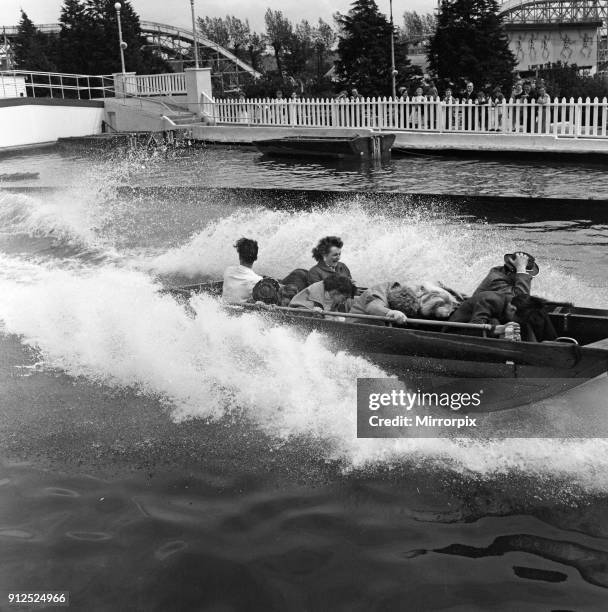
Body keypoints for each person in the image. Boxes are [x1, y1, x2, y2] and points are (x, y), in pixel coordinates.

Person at [448, 291, 520, 338]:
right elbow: (475, 326)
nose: (513, 320)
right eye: (515, 318)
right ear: (512, 309)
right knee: (495, 322)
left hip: (466, 332)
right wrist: (498, 329)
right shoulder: (491, 300)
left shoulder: (508, 300)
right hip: (453, 333)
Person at [350, 281, 419, 325]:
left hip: (373, 326)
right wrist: (392, 313)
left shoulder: (391, 288)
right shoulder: (376, 295)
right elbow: (373, 308)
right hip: (356, 326)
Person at [473, 252, 539, 297]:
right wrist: (521, 269)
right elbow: (521, 302)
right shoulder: (496, 280)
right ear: (512, 272)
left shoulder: (502, 273)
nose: (528, 278)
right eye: (525, 275)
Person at [222, 237, 263, 304]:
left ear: (239, 256)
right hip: (243, 313)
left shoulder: (228, 271)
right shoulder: (257, 281)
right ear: (255, 258)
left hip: (223, 310)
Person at [289, 275, 355, 314]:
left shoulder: (334, 298)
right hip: (298, 310)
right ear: (336, 292)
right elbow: (318, 308)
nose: (344, 301)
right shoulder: (318, 287)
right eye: (344, 298)